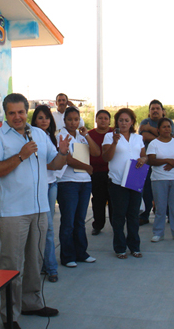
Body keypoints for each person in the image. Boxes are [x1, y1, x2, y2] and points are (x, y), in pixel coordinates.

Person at [0, 93, 70, 329]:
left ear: (26, 111)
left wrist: (62, 153)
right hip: (14, 212)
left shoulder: (40, 134)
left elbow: (53, 164)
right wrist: (21, 155)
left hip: (40, 208)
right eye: (12, 113)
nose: (17, 117)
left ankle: (31, 303)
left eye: (21, 112)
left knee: (35, 261)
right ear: (6, 114)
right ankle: (10, 314)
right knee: (12, 265)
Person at [57, 107, 100, 267]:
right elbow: (66, 158)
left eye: (76, 119)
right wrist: (87, 167)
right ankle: (68, 256)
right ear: (64, 120)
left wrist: (87, 135)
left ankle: (81, 253)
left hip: (84, 183)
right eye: (70, 119)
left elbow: (96, 152)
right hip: (68, 182)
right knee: (68, 221)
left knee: (80, 221)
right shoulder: (61, 135)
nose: (73, 122)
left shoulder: (82, 137)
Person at [102, 108, 146, 258]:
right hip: (117, 181)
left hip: (134, 179)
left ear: (132, 122)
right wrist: (114, 143)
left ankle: (134, 246)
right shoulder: (109, 136)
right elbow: (106, 157)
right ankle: (120, 247)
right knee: (119, 216)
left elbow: (144, 156)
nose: (124, 123)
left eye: (127, 120)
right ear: (117, 122)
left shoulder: (137, 138)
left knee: (133, 215)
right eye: (121, 120)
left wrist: (143, 160)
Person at [147, 118, 174, 243]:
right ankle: (158, 233)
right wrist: (168, 161)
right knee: (160, 208)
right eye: (164, 127)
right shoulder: (154, 143)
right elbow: (151, 160)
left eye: (169, 126)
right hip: (158, 179)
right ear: (158, 129)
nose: (167, 129)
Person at [31, 105, 59, 283]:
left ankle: (49, 267)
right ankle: (44, 266)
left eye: (47, 118)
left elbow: (55, 162)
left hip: (51, 185)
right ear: (34, 120)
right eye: (40, 118)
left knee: (48, 227)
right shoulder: (30, 136)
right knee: (41, 228)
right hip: (37, 186)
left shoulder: (51, 137)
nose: (44, 121)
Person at [138, 99, 174, 225]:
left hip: (165, 162)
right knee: (147, 190)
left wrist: (151, 130)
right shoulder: (145, 122)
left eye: (157, 108)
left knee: (167, 190)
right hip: (148, 161)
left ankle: (170, 215)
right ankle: (144, 216)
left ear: (163, 111)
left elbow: (170, 135)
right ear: (149, 112)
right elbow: (144, 136)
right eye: (152, 109)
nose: (155, 111)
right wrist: (162, 137)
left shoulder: (168, 122)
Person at [88, 109, 113, 235]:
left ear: (109, 121)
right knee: (98, 200)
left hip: (113, 173)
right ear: (96, 120)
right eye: (100, 118)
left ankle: (116, 224)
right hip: (96, 173)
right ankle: (98, 225)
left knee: (114, 200)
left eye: (106, 118)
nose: (103, 120)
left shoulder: (115, 133)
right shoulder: (89, 134)